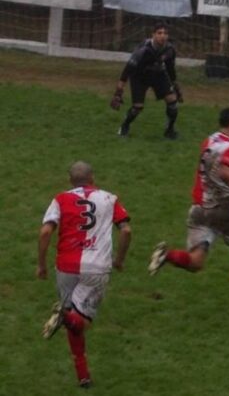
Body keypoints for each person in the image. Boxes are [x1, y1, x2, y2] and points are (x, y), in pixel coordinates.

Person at [148, 107, 229, 313]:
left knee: (196, 262)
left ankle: (167, 256)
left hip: (198, 208)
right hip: (220, 208)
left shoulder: (209, 142)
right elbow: (225, 173)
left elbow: (211, 176)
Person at [38, 161, 132, 388]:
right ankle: (65, 318)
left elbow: (45, 232)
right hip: (96, 267)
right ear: (92, 179)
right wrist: (119, 260)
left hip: (65, 266)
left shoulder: (60, 199)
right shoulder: (109, 198)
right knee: (80, 323)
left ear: (71, 181)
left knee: (73, 320)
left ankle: (83, 376)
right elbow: (126, 230)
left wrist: (41, 264)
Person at [110, 21, 183, 139]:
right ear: (153, 35)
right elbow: (127, 70)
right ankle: (125, 126)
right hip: (139, 76)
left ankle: (169, 130)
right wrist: (119, 91)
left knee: (172, 102)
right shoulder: (143, 50)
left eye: (165, 33)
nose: (162, 36)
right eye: (159, 33)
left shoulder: (169, 50)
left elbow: (170, 69)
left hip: (158, 74)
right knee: (137, 108)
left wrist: (176, 87)